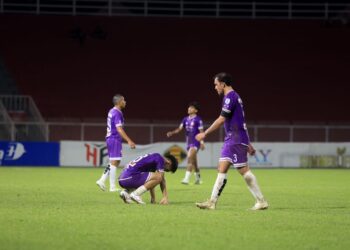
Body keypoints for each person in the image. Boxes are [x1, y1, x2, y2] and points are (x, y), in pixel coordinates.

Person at [195, 72, 268, 210]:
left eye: (216, 84)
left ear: (223, 84)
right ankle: (212, 202)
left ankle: (261, 201)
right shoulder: (233, 97)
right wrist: (249, 143)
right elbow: (241, 122)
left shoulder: (230, 97)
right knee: (221, 168)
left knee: (243, 170)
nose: (215, 87)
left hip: (235, 139)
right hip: (233, 138)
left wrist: (205, 133)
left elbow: (221, 118)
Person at [96, 94, 136, 192]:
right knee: (114, 162)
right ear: (119, 102)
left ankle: (102, 180)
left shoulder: (111, 111)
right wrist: (129, 140)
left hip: (111, 138)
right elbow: (119, 128)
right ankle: (112, 187)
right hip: (114, 138)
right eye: (123, 100)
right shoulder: (117, 113)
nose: (125, 102)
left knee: (115, 161)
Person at [166, 102, 205, 185]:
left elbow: (202, 132)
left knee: (190, 158)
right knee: (194, 162)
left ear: (196, 110)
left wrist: (202, 142)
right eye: (189, 108)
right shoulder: (185, 119)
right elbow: (179, 129)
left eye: (191, 108)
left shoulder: (198, 120)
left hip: (196, 142)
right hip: (188, 142)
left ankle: (186, 179)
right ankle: (198, 179)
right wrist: (172, 133)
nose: (189, 109)